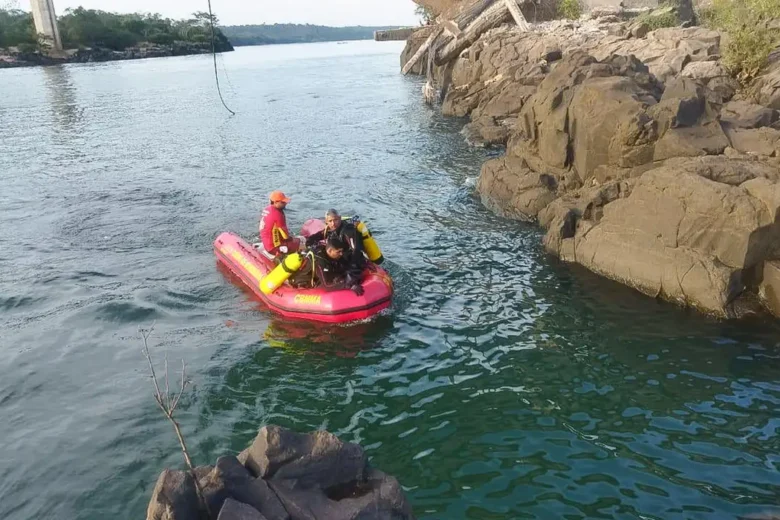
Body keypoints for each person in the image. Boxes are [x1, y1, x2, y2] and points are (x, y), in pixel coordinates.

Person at [290, 235, 364, 295]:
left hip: (318, 276)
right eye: (338, 252)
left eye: (342, 251)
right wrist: (349, 286)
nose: (341, 254)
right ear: (330, 250)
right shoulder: (319, 260)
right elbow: (326, 285)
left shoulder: (330, 254)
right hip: (304, 281)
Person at [305, 209, 366, 278]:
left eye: (335, 220)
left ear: (340, 218)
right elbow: (316, 237)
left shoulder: (348, 231)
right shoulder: (331, 229)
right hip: (338, 257)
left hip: (349, 260)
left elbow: (356, 250)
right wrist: (308, 245)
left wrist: (353, 268)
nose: (333, 223)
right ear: (326, 221)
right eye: (330, 221)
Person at [259, 190, 299, 258]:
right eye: (283, 202)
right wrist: (293, 240)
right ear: (275, 202)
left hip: (266, 243)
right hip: (274, 248)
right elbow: (285, 236)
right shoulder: (278, 214)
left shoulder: (266, 209)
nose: (285, 203)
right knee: (300, 243)